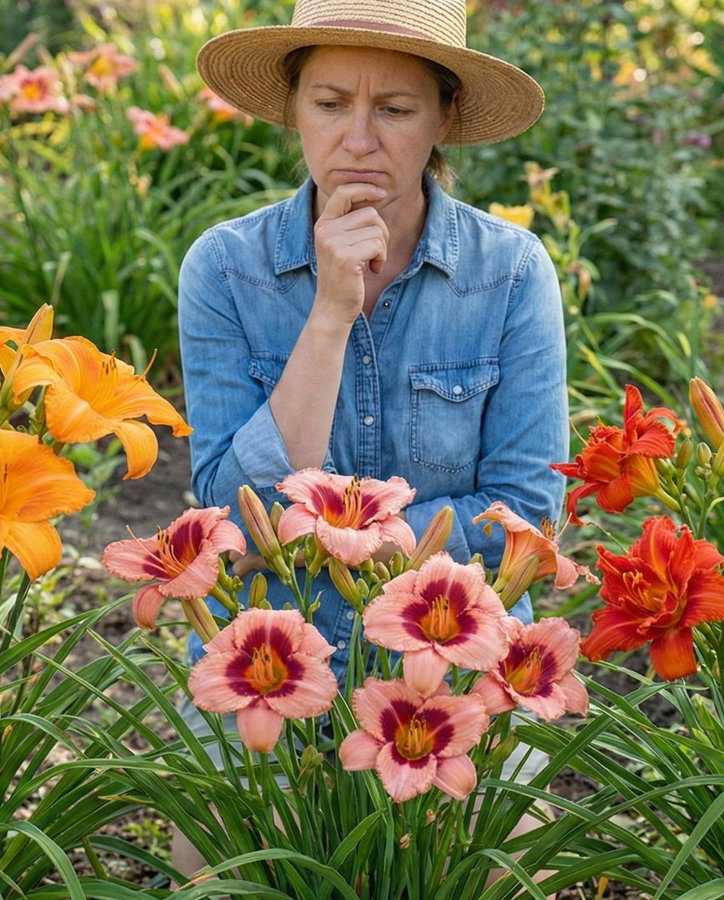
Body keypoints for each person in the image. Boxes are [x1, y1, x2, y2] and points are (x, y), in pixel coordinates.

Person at [174, 0, 567, 882]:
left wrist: (353, 550)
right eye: (328, 102)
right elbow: (219, 517)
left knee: (498, 869)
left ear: (445, 120)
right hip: (270, 646)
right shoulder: (225, 268)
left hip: (458, 648)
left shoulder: (509, 273)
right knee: (211, 862)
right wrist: (329, 313)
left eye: (393, 109)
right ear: (293, 111)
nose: (357, 138)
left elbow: (528, 514)